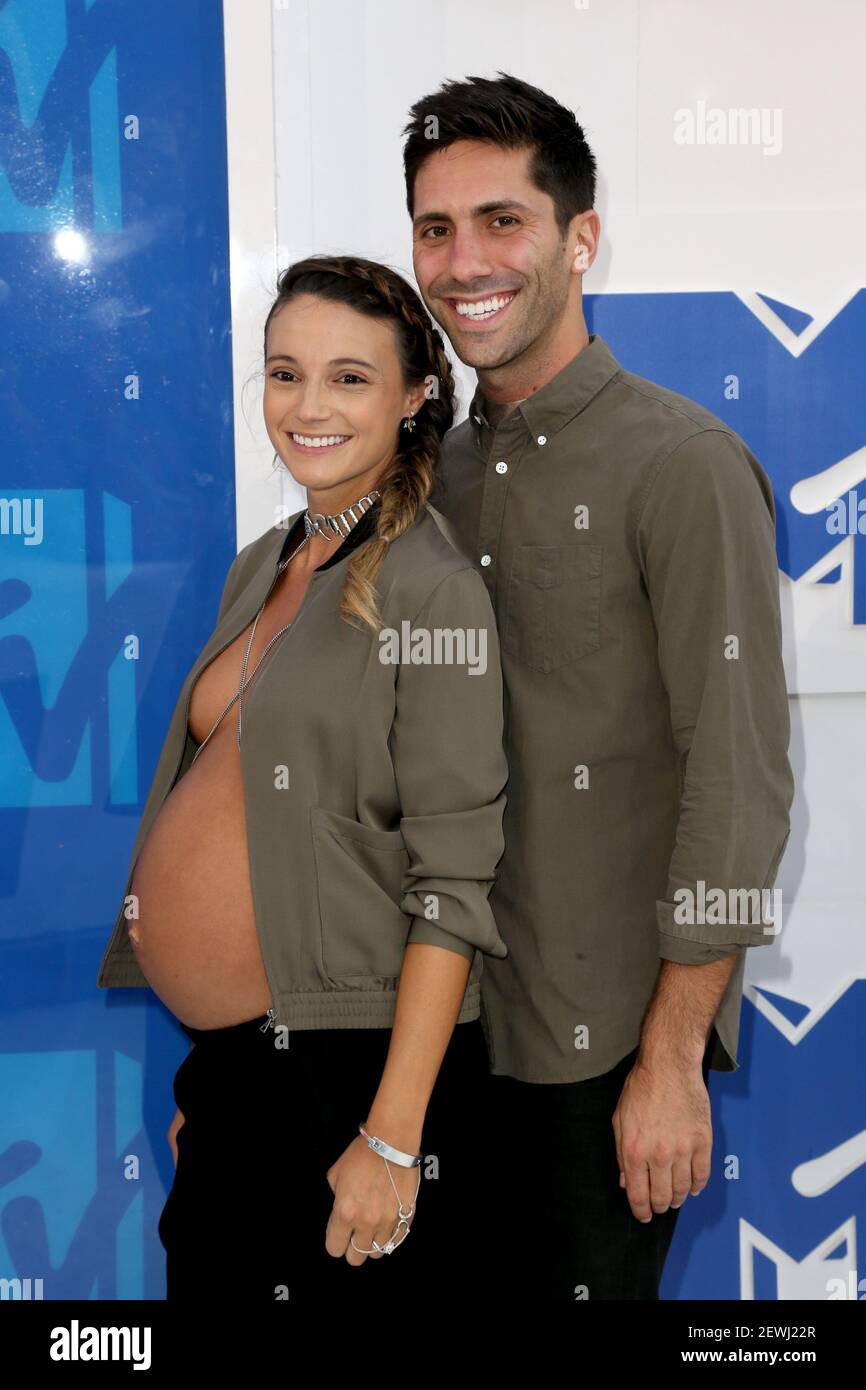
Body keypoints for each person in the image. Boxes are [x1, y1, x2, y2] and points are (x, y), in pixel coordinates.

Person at [401, 72, 796, 1300]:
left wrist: (670, 1059)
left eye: (501, 221)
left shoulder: (680, 464)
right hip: (430, 1045)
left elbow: (737, 782)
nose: (464, 260)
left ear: (579, 237)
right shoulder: (420, 477)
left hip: (598, 1061)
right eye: (434, 227)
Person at [96, 255, 509, 1303]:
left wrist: (390, 1134)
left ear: (416, 395)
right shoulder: (266, 559)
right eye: (285, 374)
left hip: (351, 1079)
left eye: (348, 377)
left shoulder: (433, 585)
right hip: (241, 1078)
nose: (308, 406)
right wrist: (218, 1077)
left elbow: (452, 883)